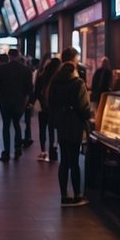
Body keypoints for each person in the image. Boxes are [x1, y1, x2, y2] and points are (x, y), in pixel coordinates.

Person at [48, 48, 92, 206]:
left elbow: (50, 101)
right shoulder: (78, 82)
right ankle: (78, 196)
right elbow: (83, 107)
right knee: (74, 161)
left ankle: (64, 196)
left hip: (60, 123)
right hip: (74, 124)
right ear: (74, 61)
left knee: (64, 161)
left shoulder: (55, 80)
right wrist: (90, 115)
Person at [0, 47, 33, 161]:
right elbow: (29, 89)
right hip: (19, 101)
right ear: (18, 56)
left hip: (4, 101)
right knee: (16, 123)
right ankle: (17, 148)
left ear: (9, 56)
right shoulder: (25, 70)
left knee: (6, 125)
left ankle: (6, 152)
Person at [34, 56, 61, 162]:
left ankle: (43, 151)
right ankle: (53, 150)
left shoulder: (42, 75)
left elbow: (36, 91)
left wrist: (33, 102)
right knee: (53, 130)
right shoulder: (58, 77)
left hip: (43, 106)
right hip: (54, 108)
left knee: (42, 129)